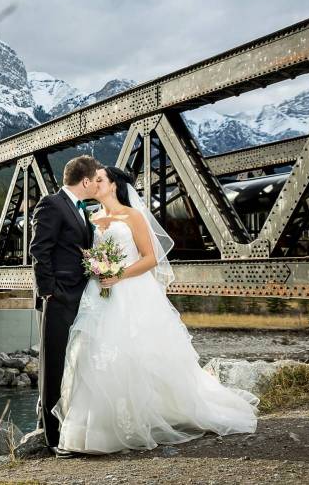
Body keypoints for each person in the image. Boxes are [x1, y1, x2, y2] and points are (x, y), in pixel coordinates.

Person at [52, 166, 259, 455]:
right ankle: (92, 431)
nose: (95, 183)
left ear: (113, 186)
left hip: (130, 292)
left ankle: (137, 422)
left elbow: (150, 259)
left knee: (133, 354)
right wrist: (96, 269)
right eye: (94, 179)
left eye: (100, 179)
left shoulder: (133, 216)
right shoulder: (91, 218)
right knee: (92, 354)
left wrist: (118, 273)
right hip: (98, 294)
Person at [30, 155, 103, 456]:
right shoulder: (51, 204)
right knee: (55, 366)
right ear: (84, 181)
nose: (98, 183)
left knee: (74, 365)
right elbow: (39, 250)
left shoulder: (80, 209)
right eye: (96, 179)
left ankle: (67, 426)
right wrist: (49, 293)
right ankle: (52, 438)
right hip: (60, 298)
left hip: (81, 296)